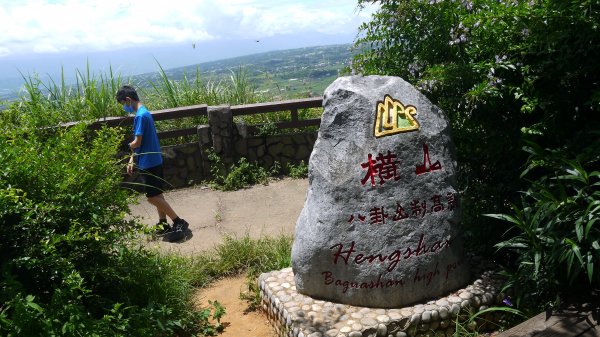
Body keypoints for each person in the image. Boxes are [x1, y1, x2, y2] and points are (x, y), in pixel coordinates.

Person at [116, 85, 189, 242]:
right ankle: (163, 224)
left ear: (128, 100)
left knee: (151, 197)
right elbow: (142, 143)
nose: (124, 107)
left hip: (148, 162)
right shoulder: (145, 113)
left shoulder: (140, 117)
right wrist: (132, 159)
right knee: (157, 194)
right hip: (153, 159)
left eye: (123, 103)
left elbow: (138, 141)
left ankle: (178, 222)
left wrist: (128, 146)